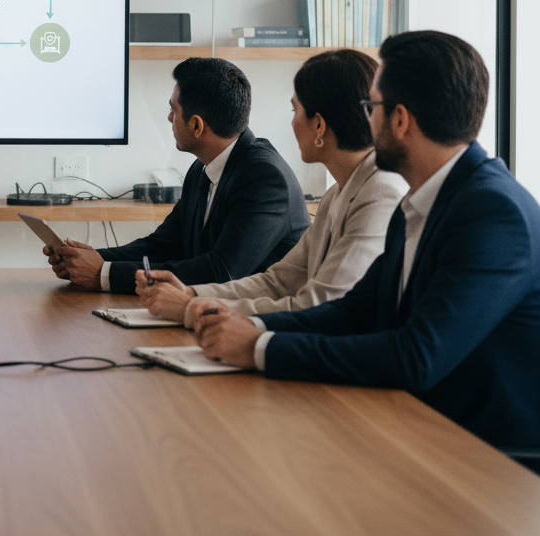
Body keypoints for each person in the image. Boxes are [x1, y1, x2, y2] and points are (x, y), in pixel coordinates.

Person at [193, 31, 540, 449]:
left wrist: (262, 348)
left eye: (371, 108)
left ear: (400, 120)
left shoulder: (492, 213)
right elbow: (356, 310)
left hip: (487, 456)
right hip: (418, 423)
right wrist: (251, 326)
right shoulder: (422, 199)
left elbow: (416, 356)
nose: (364, 121)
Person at [136, 50, 406, 325]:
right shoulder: (335, 195)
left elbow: (317, 305)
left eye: (295, 110)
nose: (292, 122)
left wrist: (192, 306)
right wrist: (190, 292)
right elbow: (278, 282)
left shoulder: (380, 194)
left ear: (320, 125)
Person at [44, 57, 310, 293]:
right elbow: (164, 245)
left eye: (174, 110)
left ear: (196, 125)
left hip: (255, 321)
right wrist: (91, 259)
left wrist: (103, 274)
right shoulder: (203, 168)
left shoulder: (265, 178)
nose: (169, 117)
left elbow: (221, 272)